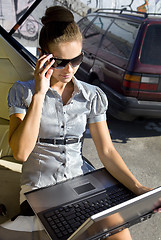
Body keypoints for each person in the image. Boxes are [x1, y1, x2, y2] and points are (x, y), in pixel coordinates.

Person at [7, 5, 160, 240]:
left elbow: (107, 151)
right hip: (40, 190)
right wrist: (40, 94)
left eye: (76, 59)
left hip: (83, 184)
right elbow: (21, 153)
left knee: (120, 233)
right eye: (60, 62)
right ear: (42, 55)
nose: (70, 69)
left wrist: (137, 188)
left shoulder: (92, 96)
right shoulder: (23, 93)